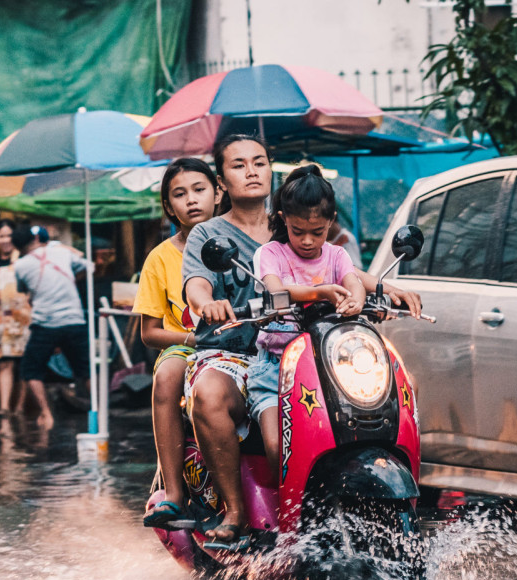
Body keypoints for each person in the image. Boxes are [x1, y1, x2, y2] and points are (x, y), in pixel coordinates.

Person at [248, 165, 423, 469]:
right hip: (277, 368)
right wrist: (321, 292)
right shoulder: (270, 254)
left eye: (317, 232)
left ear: (331, 222)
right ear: (282, 220)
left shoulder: (337, 255)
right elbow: (274, 289)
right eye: (297, 231)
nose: (307, 241)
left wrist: (357, 300)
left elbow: (353, 282)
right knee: (279, 448)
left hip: (330, 365)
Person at [180, 134, 275, 544]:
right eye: (239, 165)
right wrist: (207, 304)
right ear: (221, 183)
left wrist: (376, 287)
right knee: (209, 395)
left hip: (292, 353)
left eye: (260, 161)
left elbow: (334, 267)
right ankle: (234, 511)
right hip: (230, 354)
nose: (252, 170)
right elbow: (197, 285)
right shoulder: (207, 235)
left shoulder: (294, 229)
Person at [137, 158, 221, 529]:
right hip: (186, 348)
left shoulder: (246, 239)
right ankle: (174, 491)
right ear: (169, 207)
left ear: (218, 192)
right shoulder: (160, 258)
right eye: (179, 195)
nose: (191, 200)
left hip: (249, 344)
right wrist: (194, 337)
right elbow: (150, 332)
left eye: (199, 190)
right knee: (168, 374)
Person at [10, 224, 90, 430]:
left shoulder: (20, 266)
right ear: (35, 239)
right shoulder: (60, 252)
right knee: (86, 370)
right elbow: (89, 267)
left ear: (17, 246)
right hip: (74, 319)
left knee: (31, 370)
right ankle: (97, 408)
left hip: (45, 323)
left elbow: (24, 290)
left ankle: (46, 414)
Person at [0, 218, 32, 415]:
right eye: (1, 236)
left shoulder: (23, 259)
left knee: (22, 363)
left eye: (8, 235)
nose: (5, 240)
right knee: (4, 362)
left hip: (20, 318)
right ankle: (4, 407)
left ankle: (19, 406)